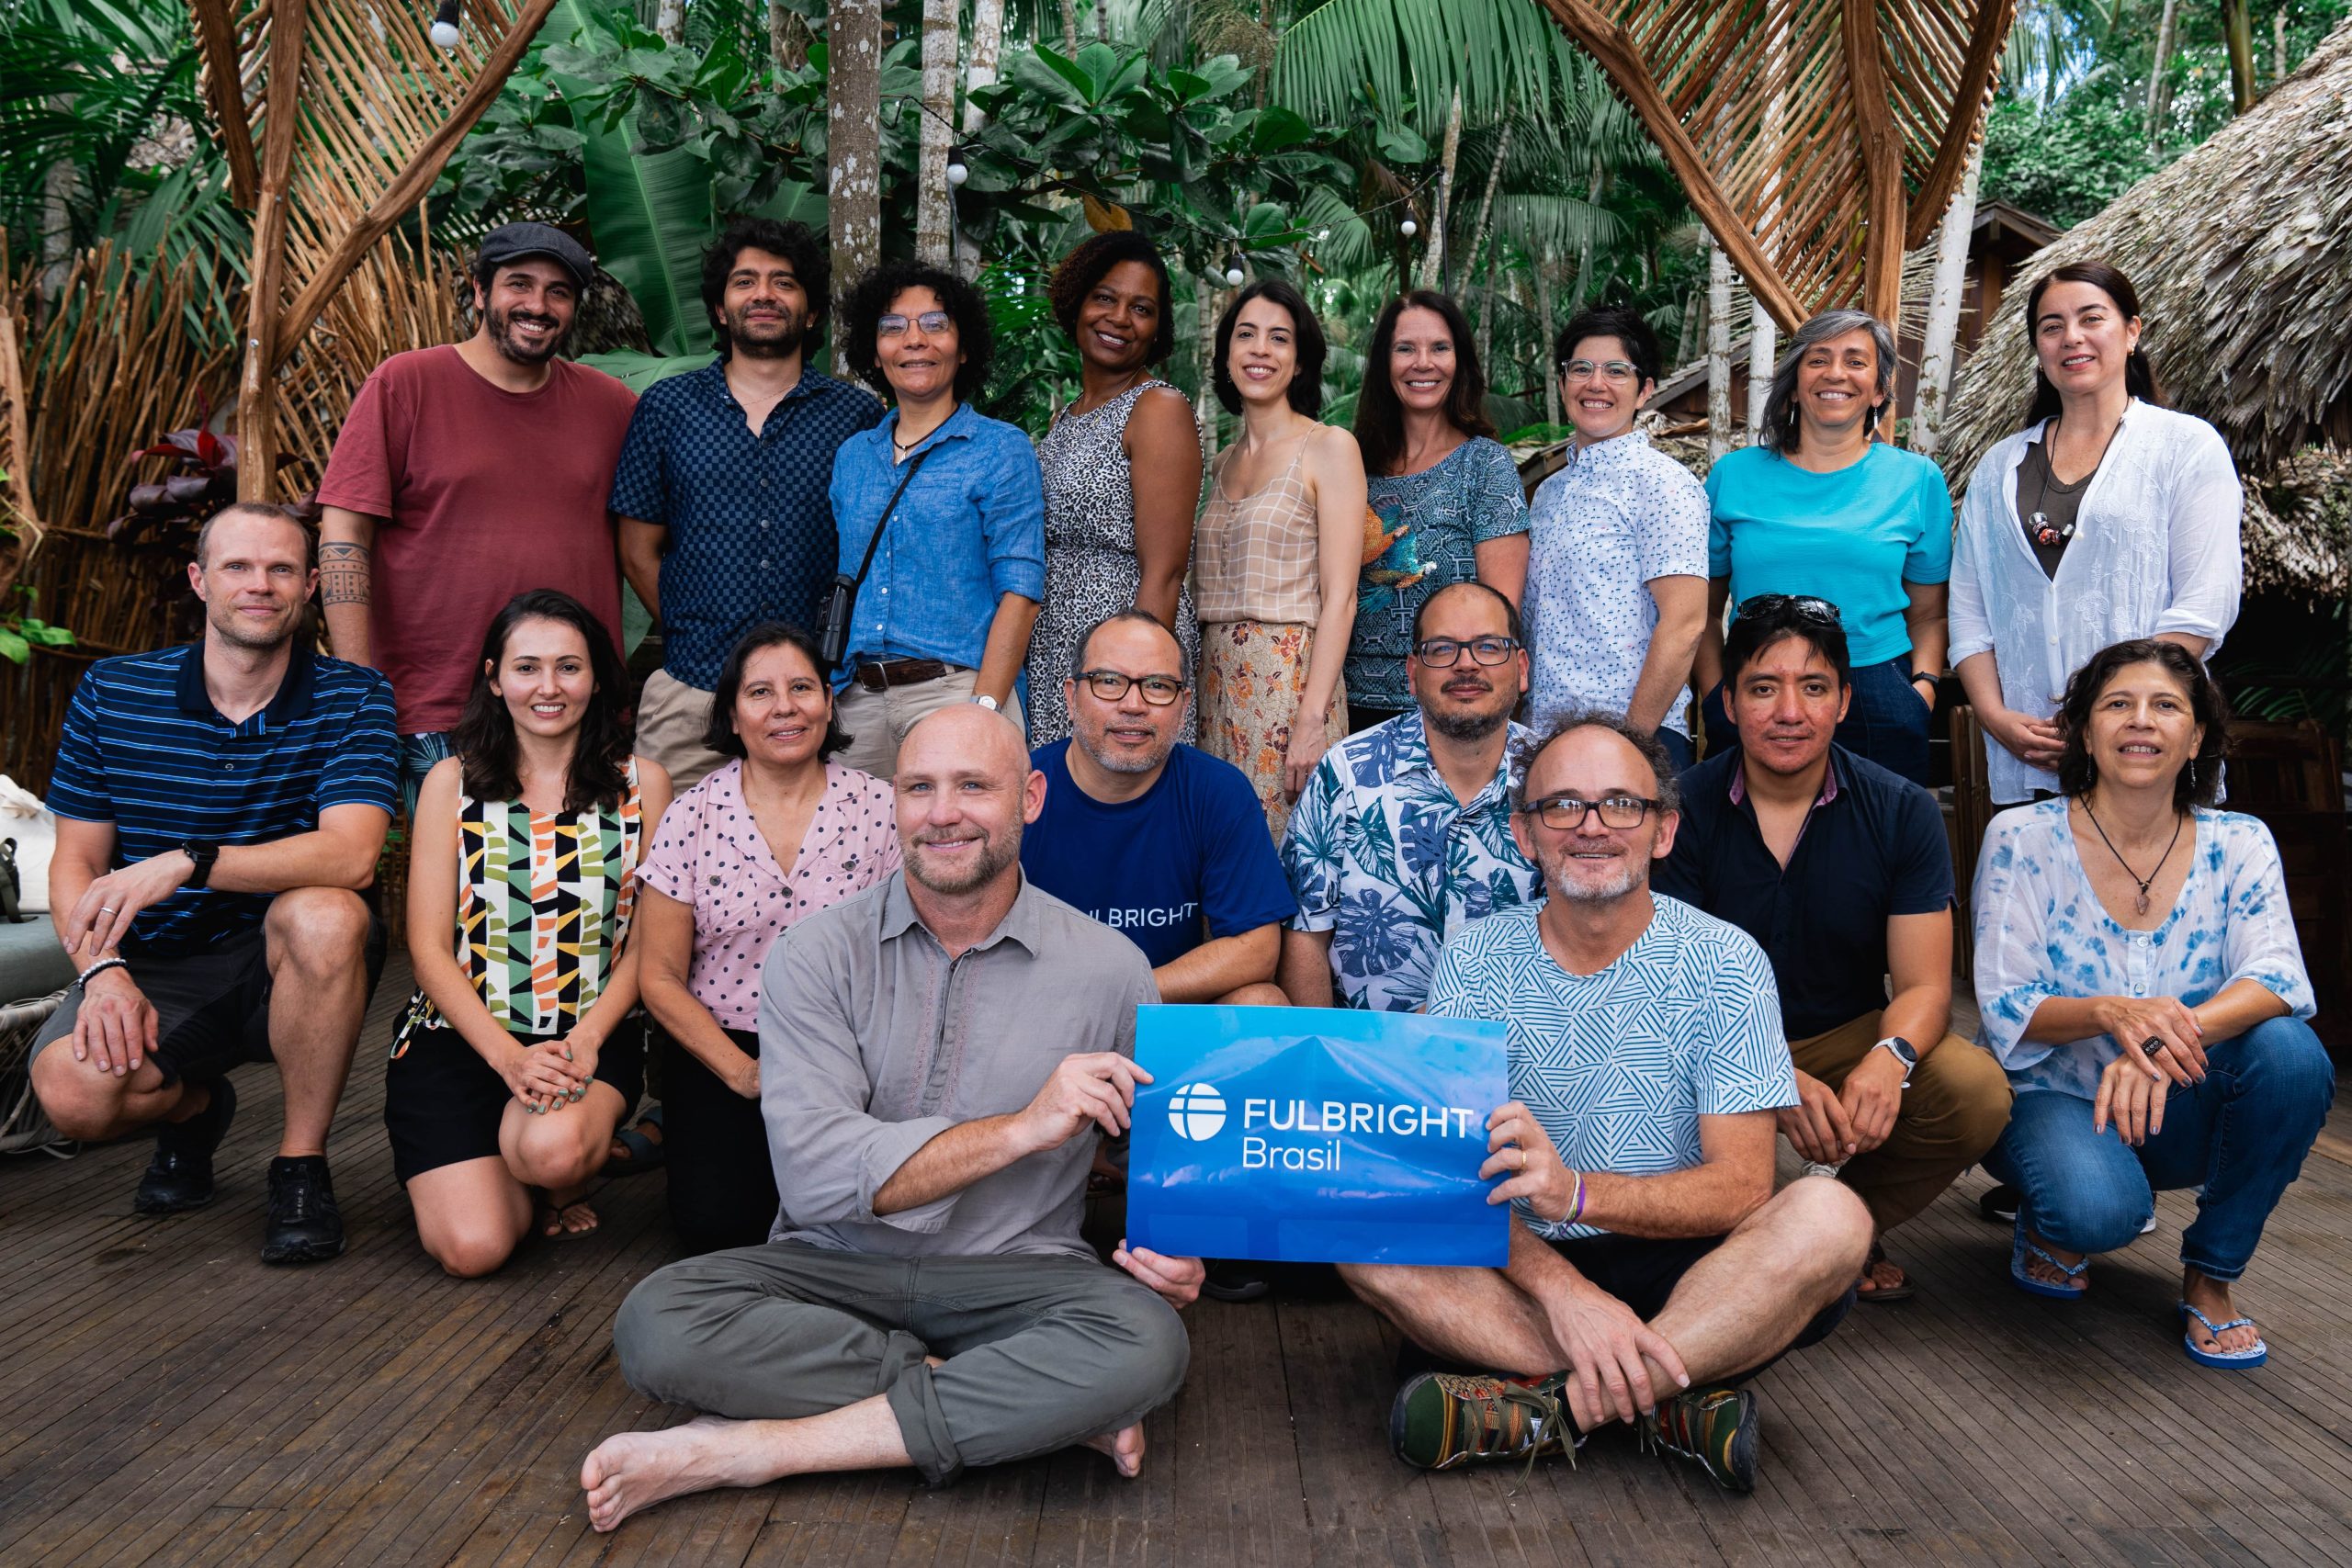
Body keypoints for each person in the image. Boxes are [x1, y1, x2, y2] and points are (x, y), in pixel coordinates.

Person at [578, 706, 1203, 1529]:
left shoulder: (1112, 969)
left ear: (1031, 797)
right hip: (831, 1267)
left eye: (973, 785)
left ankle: (757, 1447)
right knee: (657, 1321)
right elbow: (818, 1172)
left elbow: (1170, 1158)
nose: (943, 812)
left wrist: (1177, 1254)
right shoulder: (813, 953)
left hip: (1018, 1277)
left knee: (1149, 1339)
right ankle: (1014, 1403)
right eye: (919, 788)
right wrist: (1024, 1126)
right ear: (894, 805)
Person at [1345, 714, 1869, 1492]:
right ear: (1526, 835)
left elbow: (1740, 1187)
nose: (1591, 827)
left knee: (1833, 1216)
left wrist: (1576, 1191)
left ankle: (1547, 1406)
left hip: (1687, 1267)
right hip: (1520, 1271)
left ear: (1663, 830)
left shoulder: (1726, 960)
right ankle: (1667, 1396)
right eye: (1563, 806)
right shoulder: (1473, 959)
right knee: (1357, 1216)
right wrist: (1568, 1292)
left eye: (1621, 804)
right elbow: (1451, 1174)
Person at [28, 503, 395, 1264]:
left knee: (327, 914)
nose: (259, 585)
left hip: (280, 954)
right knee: (72, 1093)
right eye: (237, 566)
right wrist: (102, 971)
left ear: (312, 586)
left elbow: (353, 855)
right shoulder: (114, 691)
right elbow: (76, 862)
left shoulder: (355, 695)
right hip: (159, 961)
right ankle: (197, 1109)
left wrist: (189, 858)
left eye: (281, 569)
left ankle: (300, 1166)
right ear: (200, 580)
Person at [1973, 639, 2328, 1370]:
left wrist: (2166, 1039)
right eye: (2117, 704)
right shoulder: (2022, 837)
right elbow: (2008, 1003)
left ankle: (2212, 1274)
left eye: (2166, 705)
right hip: (2053, 1099)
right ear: (2083, 730)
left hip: (2176, 1101)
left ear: (2196, 736)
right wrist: (2111, 1013)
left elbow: (2279, 978)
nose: (2141, 721)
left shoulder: (2241, 842)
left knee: (2293, 1056)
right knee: (2099, 1212)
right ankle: (2052, 1218)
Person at [1653, 597, 2011, 1303]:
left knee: (1974, 1092)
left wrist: (1890, 1057)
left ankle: (1846, 1221)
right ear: (1727, 701)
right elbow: (1669, 988)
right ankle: (1732, 1226)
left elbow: (1924, 988)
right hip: (1702, 1040)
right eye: (1763, 687)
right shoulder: (1679, 808)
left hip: (1845, 1032)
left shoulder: (1901, 807)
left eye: (1813, 687)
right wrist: (1770, 1073)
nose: (1790, 711)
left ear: (1845, 701)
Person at [386, 590, 673, 1272]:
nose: (549, 687)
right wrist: (508, 1058)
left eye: (569, 667)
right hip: (462, 1038)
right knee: (474, 1248)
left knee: (549, 1149)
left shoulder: (645, 784)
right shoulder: (450, 783)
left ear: (598, 676)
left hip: (583, 1037)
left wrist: (586, 1039)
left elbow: (647, 942)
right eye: (527, 667)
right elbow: (427, 945)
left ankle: (548, 1164)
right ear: (494, 677)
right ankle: (516, 1177)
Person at [316, 221, 637, 810]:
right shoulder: (406, 383)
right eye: (520, 284)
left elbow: (657, 536)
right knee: (447, 894)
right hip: (437, 707)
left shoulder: (611, 404)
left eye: (558, 292)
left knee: (576, 894)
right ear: (480, 289)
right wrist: (360, 686)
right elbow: (343, 531)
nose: (538, 306)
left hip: (574, 706)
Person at [635, 622, 899, 1251]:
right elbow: (659, 977)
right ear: (731, 713)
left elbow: (907, 956)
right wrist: (745, 1074)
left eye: (802, 687)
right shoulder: (691, 814)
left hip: (850, 1047)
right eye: (760, 692)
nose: (785, 706)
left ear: (829, 703)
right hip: (724, 1048)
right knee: (719, 1227)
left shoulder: (881, 808)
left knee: (853, 1222)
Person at [1950, 261, 2243, 806]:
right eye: (2052, 326)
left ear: (2132, 332)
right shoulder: (1998, 467)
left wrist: (2102, 718)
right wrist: (1995, 717)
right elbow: (1970, 613)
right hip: (2030, 753)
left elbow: (2204, 605)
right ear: (2038, 346)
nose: (2072, 337)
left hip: (2144, 752)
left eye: (2092, 318)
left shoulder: (2186, 447)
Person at [613, 217, 885, 791]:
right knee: (669, 863)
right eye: (745, 282)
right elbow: (638, 549)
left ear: (811, 312)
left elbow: (873, 552)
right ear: (719, 309)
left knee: (827, 871)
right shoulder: (667, 408)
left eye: (783, 282)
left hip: (818, 700)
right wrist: (690, 631)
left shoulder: (856, 417)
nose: (763, 294)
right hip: (692, 691)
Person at [1693, 310, 1951, 785]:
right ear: (1794, 384)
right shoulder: (1734, 475)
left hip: (1877, 685)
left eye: (1856, 361)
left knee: (1881, 847)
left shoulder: (1917, 481)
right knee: (1752, 847)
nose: (1836, 373)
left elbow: (1930, 615)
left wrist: (1922, 690)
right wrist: (1715, 694)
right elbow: (1701, 611)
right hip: (1758, 685)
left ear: (1879, 390)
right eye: (1819, 359)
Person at [827, 262, 1046, 778]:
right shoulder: (853, 457)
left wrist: (986, 709)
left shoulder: (1000, 449)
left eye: (935, 324)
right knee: (861, 859)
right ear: (874, 353)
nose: (914, 340)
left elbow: (1021, 591)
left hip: (957, 692)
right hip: (856, 702)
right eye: (893, 327)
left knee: (964, 854)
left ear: (963, 348)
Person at [1280, 581, 1542, 1013]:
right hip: (1368, 1057)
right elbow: (1306, 932)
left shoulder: (1556, 780)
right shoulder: (1346, 774)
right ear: (1413, 674)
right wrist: (1327, 1064)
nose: (1466, 665)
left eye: (1489, 647)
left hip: (1519, 1055)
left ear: (1521, 667)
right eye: (1442, 649)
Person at [1022, 610, 1292, 1005]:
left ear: (1184, 706)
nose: (1134, 704)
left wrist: (1123, 992)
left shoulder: (1217, 791)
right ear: (1070, 695)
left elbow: (1257, 950)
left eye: (1158, 686)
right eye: (1109, 681)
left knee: (1262, 1004)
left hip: (1157, 1008)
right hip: (1042, 1011)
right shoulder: (1021, 789)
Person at [1194, 279, 1366, 839]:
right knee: (1222, 857)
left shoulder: (1329, 446)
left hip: (1288, 689)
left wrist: (1311, 720)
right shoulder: (1219, 463)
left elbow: (1340, 597)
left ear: (1299, 362)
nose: (1260, 350)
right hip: (1214, 684)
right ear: (1225, 356)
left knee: (1290, 860)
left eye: (1279, 338)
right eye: (1246, 335)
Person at [1023, 234, 1204, 747]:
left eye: (1141, 308)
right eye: (1105, 297)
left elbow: (1165, 572)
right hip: (1057, 646)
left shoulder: (1157, 408)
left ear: (1157, 328)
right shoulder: (1065, 417)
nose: (1120, 318)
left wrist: (1131, 680)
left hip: (1121, 649)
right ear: (1076, 301)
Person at [1523, 305, 1709, 771]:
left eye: (1617, 371)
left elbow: (1684, 625)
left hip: (1635, 741)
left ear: (1645, 390)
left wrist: (1630, 745)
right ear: (1564, 382)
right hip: (1546, 741)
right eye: (1581, 369)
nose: (1596, 384)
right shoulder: (1548, 492)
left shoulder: (1662, 484)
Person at [1345, 291, 1530, 731]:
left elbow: (1501, 616)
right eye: (1405, 348)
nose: (1422, 363)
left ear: (1460, 361)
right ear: (1383, 364)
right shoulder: (1352, 467)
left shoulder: (1484, 464)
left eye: (1439, 348)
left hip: (1450, 710)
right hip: (1349, 705)